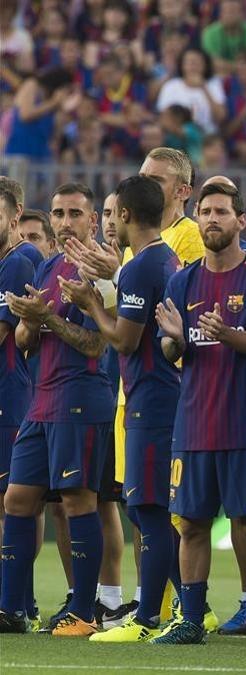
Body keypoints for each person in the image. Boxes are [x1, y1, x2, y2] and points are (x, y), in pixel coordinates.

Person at [147, 182, 246, 648]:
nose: (211, 218)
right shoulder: (181, 281)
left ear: (240, 221)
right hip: (193, 424)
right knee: (189, 523)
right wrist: (176, 340)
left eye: (222, 211)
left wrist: (225, 334)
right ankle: (191, 619)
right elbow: (172, 350)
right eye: (205, 211)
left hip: (245, 421)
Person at [61, 176, 181, 642]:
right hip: (162, 396)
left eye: (114, 214)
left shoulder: (140, 267)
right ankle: (185, 606)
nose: (111, 223)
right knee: (149, 507)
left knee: (147, 508)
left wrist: (91, 303)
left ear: (127, 215)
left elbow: (125, 340)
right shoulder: (166, 257)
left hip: (150, 399)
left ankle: (148, 616)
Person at [0, 183, 115, 636]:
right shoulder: (47, 266)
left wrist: (47, 320)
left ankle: (84, 611)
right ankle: (12, 609)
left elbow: (96, 343)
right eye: (58, 213)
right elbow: (26, 343)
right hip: (41, 399)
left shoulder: (102, 272)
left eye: (75, 213)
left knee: (77, 500)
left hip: (81, 397)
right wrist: (29, 320)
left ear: (92, 220)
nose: (65, 221)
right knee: (18, 499)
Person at [0, 185, 35, 623]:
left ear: (13, 218)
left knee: (10, 504)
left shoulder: (17, 265)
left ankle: (16, 605)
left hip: (9, 400)